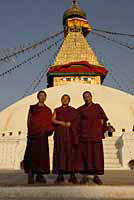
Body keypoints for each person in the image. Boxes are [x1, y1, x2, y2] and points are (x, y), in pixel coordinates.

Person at [77, 91, 108, 185]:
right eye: (85, 97)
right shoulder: (81, 109)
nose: (87, 98)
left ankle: (95, 176)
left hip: (95, 135)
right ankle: (85, 176)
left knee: (96, 156)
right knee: (85, 156)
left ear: (91, 97)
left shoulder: (97, 107)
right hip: (85, 136)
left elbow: (103, 118)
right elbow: (76, 120)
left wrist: (101, 125)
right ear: (83, 98)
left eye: (88, 96)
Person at [23, 91, 53, 184]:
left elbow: (49, 121)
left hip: (43, 135)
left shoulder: (48, 110)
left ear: (46, 97)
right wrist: (30, 131)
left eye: (44, 96)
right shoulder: (32, 108)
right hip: (33, 134)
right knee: (32, 155)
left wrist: (49, 130)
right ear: (37, 97)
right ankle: (31, 174)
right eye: (40, 95)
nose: (42, 97)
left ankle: (40, 175)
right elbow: (29, 120)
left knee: (42, 156)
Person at [52, 94, 80, 184]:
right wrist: (61, 123)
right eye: (63, 99)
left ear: (69, 100)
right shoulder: (57, 110)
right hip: (60, 135)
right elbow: (52, 120)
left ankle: (72, 175)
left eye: (67, 99)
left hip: (71, 135)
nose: (65, 100)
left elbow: (77, 121)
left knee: (71, 154)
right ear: (61, 100)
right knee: (60, 153)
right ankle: (60, 175)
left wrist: (71, 124)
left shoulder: (73, 110)